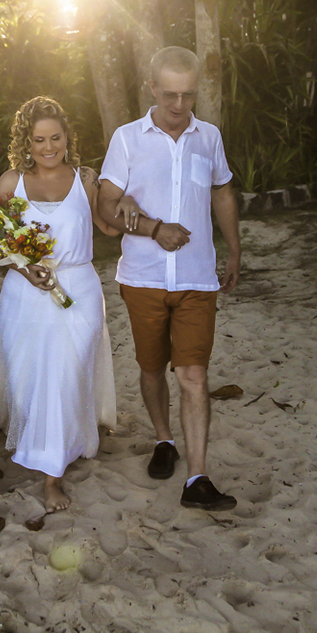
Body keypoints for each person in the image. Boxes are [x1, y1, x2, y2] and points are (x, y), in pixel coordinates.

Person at [97, 46, 242, 513]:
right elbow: (106, 204)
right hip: (142, 277)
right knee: (152, 367)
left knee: (194, 375)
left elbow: (221, 192)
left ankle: (197, 478)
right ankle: (164, 440)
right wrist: (155, 229)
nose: (181, 105)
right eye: (171, 94)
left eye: (189, 94)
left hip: (199, 278)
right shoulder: (126, 139)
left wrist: (234, 248)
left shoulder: (209, 137)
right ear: (153, 89)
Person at [0, 96, 131, 513]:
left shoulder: (85, 179)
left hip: (78, 291)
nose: (48, 147)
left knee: (65, 376)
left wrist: (130, 204)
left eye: (56, 138)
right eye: (39, 139)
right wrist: (24, 266)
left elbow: (109, 225)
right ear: (26, 141)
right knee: (32, 383)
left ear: (68, 136)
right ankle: (49, 443)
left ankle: (51, 479)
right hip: (25, 295)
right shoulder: (10, 183)